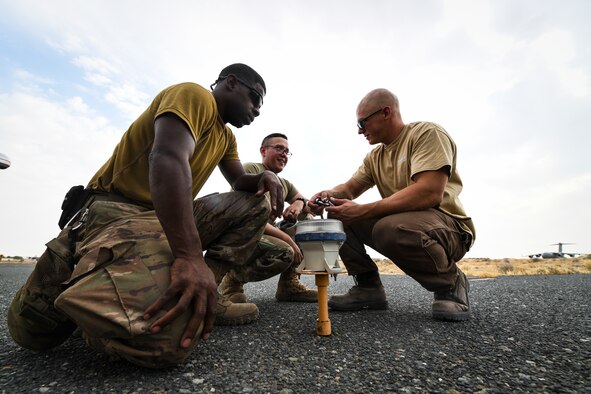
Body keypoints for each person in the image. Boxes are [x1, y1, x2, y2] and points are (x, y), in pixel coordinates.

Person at [7, 63, 286, 368]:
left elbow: (237, 182)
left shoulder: (225, 137)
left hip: (158, 219)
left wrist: (265, 178)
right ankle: (84, 275)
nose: (257, 111)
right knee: (33, 334)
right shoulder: (194, 95)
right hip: (117, 211)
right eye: (255, 98)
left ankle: (203, 295)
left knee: (254, 203)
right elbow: (166, 157)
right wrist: (189, 256)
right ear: (231, 83)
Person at [309, 88, 475, 322]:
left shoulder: (426, 133)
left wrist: (362, 210)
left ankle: (451, 282)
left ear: (385, 113)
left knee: (388, 228)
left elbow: (429, 192)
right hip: (403, 223)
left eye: (362, 123)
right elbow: (349, 189)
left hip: (448, 228)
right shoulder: (375, 157)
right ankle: (368, 288)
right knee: (338, 218)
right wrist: (328, 195)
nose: (360, 132)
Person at [219, 133, 317, 304]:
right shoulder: (251, 170)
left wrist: (298, 204)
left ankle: (288, 286)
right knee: (286, 251)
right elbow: (245, 217)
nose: (284, 154)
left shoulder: (285, 183)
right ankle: (232, 281)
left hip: (265, 235)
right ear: (263, 151)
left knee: (306, 220)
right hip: (243, 235)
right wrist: (287, 239)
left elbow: (308, 204)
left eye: (287, 151)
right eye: (279, 148)